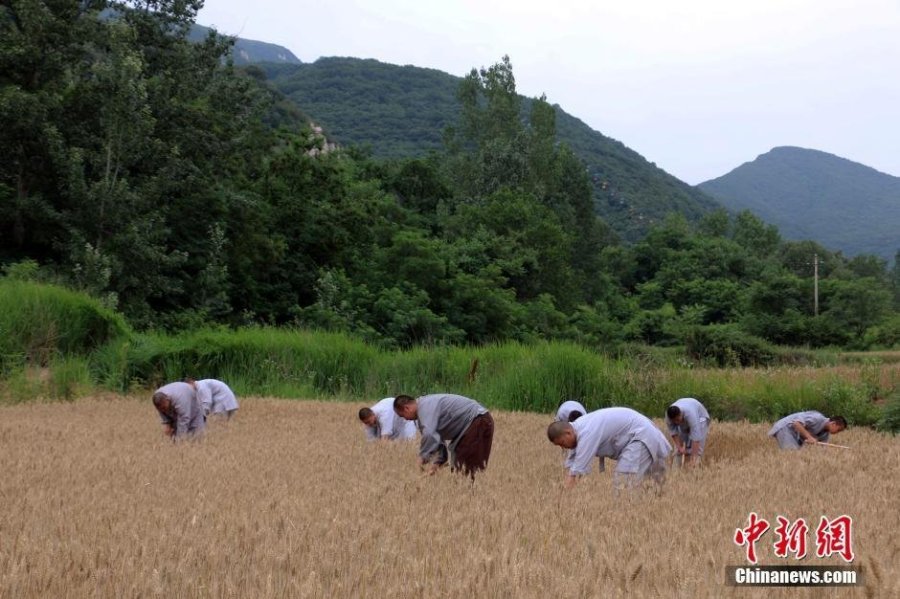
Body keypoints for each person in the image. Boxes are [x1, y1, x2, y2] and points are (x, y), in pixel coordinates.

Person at [547, 407, 671, 490]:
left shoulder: (587, 432)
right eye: (560, 446)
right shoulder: (578, 428)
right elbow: (571, 464)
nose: (563, 447)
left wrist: (562, 499)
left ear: (568, 433)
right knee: (654, 485)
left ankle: (628, 518)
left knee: (623, 483)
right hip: (641, 434)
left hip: (640, 436)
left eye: (563, 443)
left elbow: (577, 470)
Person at [394, 393, 493, 478]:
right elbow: (437, 439)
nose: (405, 419)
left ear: (407, 408)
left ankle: (470, 497)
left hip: (478, 421)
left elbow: (430, 435)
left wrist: (421, 459)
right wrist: (438, 463)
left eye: (403, 415)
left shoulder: (425, 407)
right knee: (460, 471)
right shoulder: (423, 415)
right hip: (472, 425)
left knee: (466, 471)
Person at [665, 397, 710, 466]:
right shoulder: (668, 417)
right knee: (680, 445)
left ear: (680, 414)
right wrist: (679, 447)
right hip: (686, 413)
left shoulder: (690, 414)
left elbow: (696, 438)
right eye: (674, 421)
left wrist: (694, 457)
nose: (677, 422)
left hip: (700, 417)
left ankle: (694, 465)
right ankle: (677, 468)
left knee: (697, 450)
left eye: (677, 419)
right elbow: (674, 433)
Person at [768, 411, 847, 450]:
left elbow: (822, 449)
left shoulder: (825, 434)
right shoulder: (817, 418)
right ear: (833, 424)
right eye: (838, 430)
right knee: (791, 453)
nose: (837, 433)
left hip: (795, 435)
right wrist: (809, 437)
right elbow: (796, 424)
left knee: (797, 456)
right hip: (785, 428)